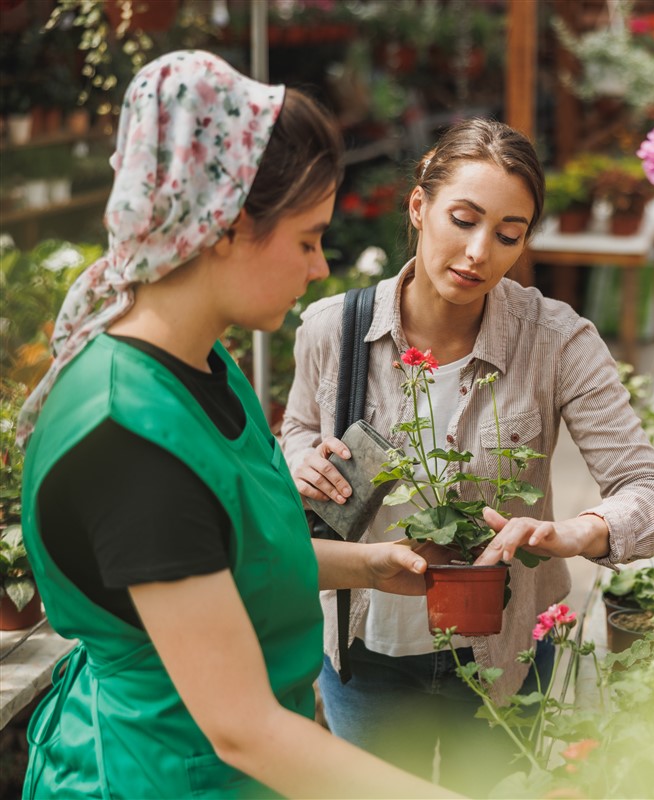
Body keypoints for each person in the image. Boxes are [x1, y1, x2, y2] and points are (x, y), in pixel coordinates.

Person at [16, 51, 454, 799]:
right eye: (307, 240)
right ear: (222, 226)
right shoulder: (128, 441)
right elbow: (243, 728)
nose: (320, 270)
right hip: (158, 776)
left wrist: (370, 565)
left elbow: (223, 553)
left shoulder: (200, 365)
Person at [281, 118, 654, 794]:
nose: (478, 253)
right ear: (418, 207)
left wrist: (575, 533)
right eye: (462, 220)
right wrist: (295, 458)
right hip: (364, 649)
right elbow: (295, 427)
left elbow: (652, 491)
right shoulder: (332, 329)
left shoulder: (555, 340)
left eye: (507, 234)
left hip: (507, 653)